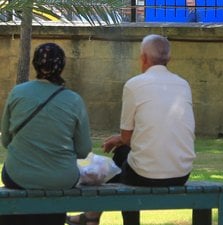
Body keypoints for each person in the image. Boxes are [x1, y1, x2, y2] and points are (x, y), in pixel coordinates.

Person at [66, 34, 196, 225]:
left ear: (143, 58)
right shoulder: (183, 85)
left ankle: (93, 217)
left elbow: (127, 136)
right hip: (181, 174)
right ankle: (90, 216)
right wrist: (121, 139)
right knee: (122, 162)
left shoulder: (134, 84)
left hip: (146, 176)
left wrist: (120, 139)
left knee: (119, 159)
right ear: (169, 59)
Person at [0, 43, 92, 225]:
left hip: (18, 175)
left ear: (35, 63)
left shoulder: (17, 93)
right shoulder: (74, 100)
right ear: (62, 66)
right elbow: (83, 150)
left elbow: (6, 140)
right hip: (61, 178)